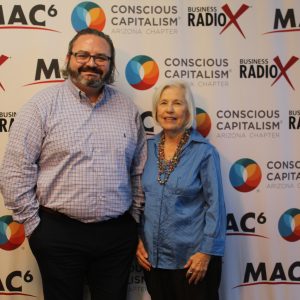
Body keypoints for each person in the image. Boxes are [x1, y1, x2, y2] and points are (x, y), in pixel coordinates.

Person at [0, 28, 146, 300]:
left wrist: (133, 219)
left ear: (110, 65)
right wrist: (35, 227)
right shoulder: (41, 106)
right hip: (58, 234)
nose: (92, 63)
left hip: (116, 236)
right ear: (68, 58)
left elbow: (138, 169)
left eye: (101, 58)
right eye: (83, 55)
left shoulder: (127, 108)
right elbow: (14, 171)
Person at [136, 80, 226, 300]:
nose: (169, 109)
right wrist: (137, 239)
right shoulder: (146, 149)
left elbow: (216, 206)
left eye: (177, 103)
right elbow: (137, 199)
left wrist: (206, 252)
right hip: (153, 260)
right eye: (163, 103)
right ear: (156, 110)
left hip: (192, 261)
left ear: (188, 110)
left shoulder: (204, 152)